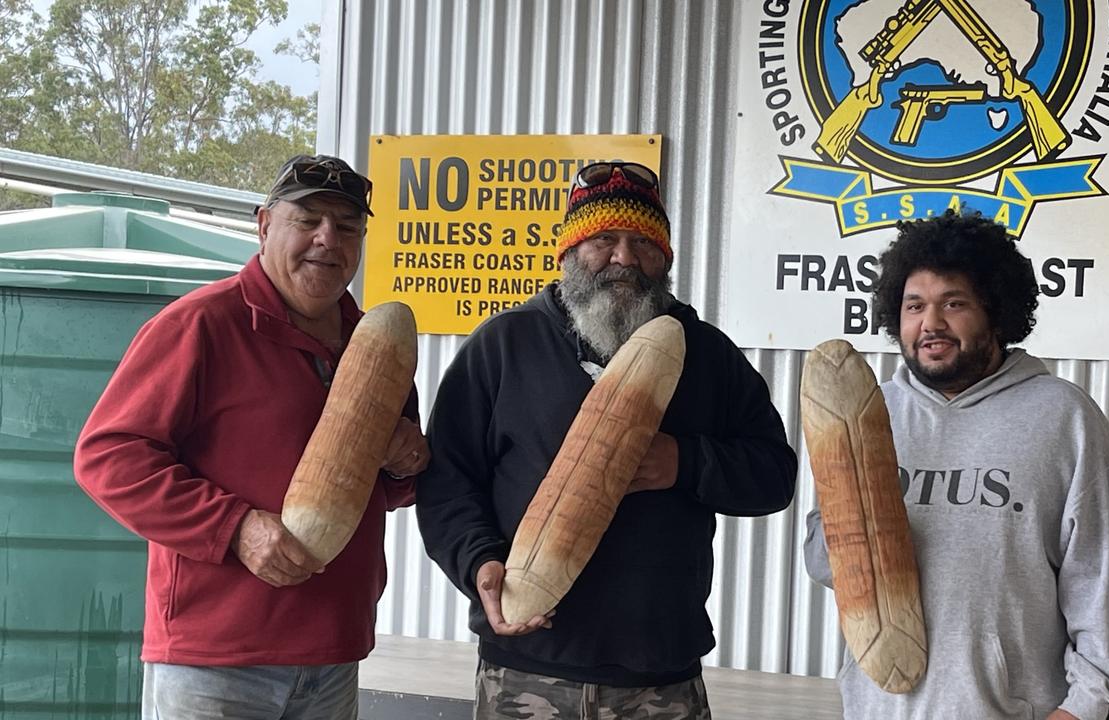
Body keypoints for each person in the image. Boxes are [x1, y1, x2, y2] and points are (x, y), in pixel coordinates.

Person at [417, 161, 798, 719]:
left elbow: (774, 476)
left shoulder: (709, 355)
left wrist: (685, 462)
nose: (624, 258)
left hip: (659, 671)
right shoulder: (505, 344)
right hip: (527, 664)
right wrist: (478, 563)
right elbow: (446, 480)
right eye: (604, 239)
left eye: (643, 241)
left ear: (665, 258)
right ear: (568, 254)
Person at [74, 154, 429, 719]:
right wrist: (234, 527)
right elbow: (109, 457)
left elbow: (386, 494)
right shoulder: (201, 324)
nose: (327, 239)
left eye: (348, 226)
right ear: (264, 225)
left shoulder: (374, 344)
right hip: (215, 662)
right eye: (307, 219)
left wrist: (405, 462)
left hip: (333, 652)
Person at [804, 211, 1109, 720]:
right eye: (914, 306)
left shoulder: (1063, 417)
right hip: (877, 707)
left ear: (996, 312)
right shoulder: (873, 413)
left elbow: (1104, 578)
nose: (930, 323)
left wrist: (1083, 709)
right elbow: (823, 561)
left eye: (953, 304)